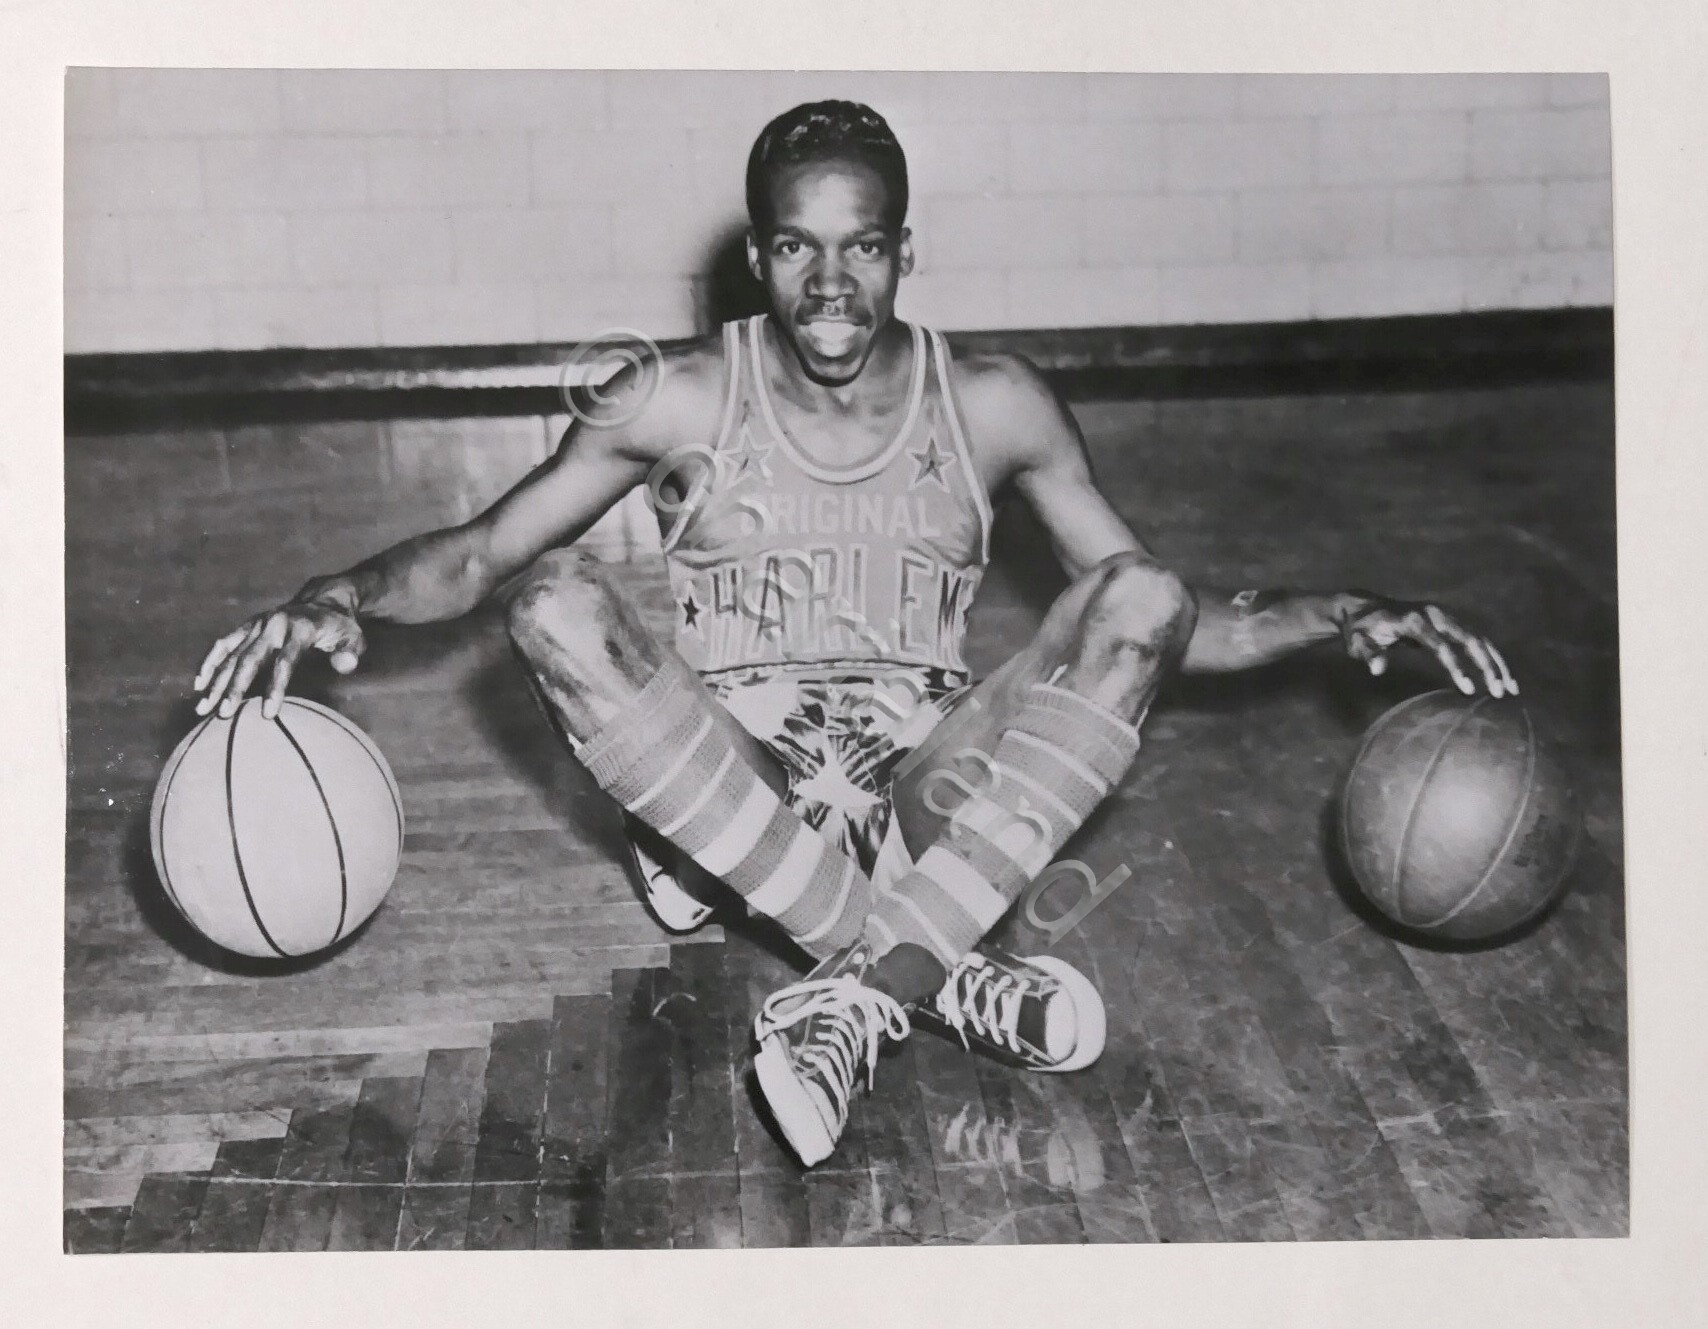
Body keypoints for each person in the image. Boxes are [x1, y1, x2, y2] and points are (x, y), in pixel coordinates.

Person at [193, 101, 1517, 1169]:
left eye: (863, 245)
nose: (830, 282)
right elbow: (482, 552)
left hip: (926, 789)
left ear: (904, 249)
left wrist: (1343, 611)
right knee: (548, 599)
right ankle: (934, 971)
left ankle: (864, 982)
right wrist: (341, 594)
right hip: (732, 783)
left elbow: (1175, 633)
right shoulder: (674, 395)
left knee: (1147, 594)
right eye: (797, 247)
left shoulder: (994, 402)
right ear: (757, 253)